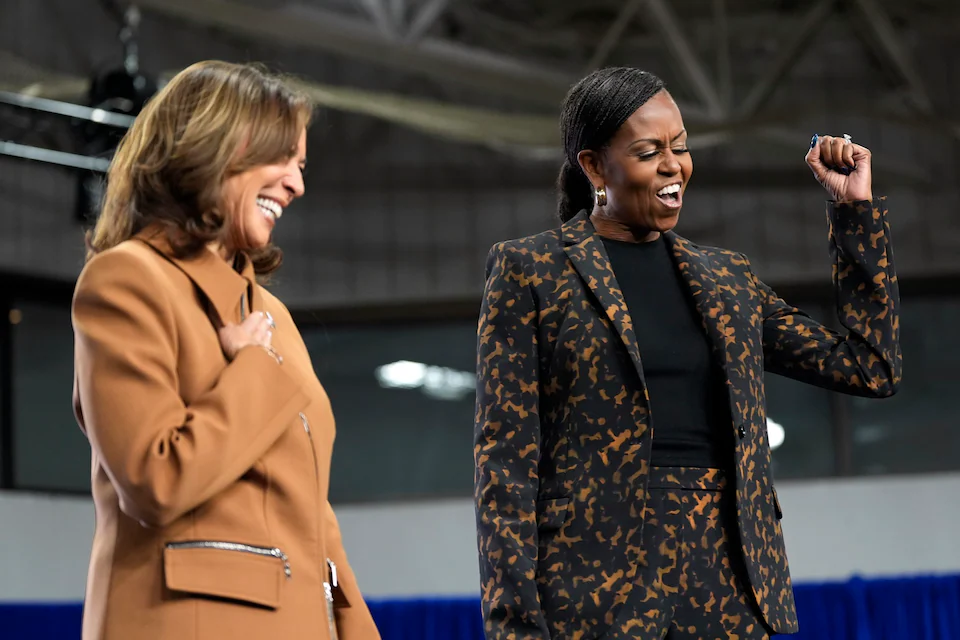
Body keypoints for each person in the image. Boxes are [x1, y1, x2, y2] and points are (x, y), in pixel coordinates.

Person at [474, 67, 901, 639]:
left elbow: (869, 366)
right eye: (650, 151)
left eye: (681, 146)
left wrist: (854, 213)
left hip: (730, 588)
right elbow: (505, 468)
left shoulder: (728, 279)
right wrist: (515, 626)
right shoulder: (532, 270)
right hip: (594, 599)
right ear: (595, 166)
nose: (674, 165)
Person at [72, 60, 380, 640]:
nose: (297, 183)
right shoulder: (125, 279)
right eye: (282, 158)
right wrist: (252, 370)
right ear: (219, 147)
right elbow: (154, 481)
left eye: (302, 165)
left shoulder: (273, 316)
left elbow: (312, 516)